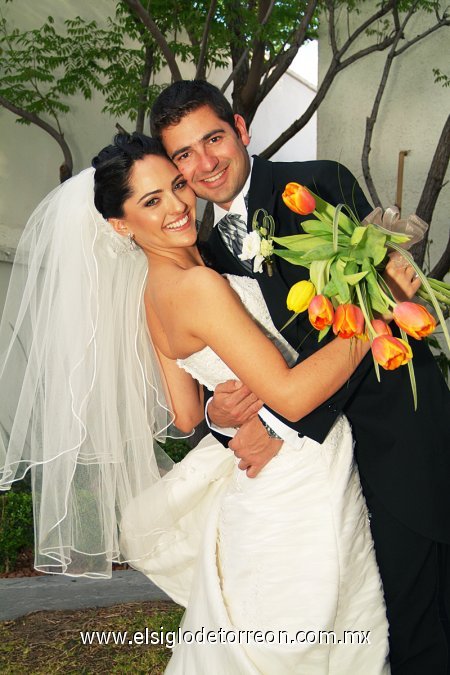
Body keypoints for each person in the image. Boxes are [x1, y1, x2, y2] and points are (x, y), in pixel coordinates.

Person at [0, 132, 421, 672]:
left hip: (261, 483)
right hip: (300, 480)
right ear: (120, 225)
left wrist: (221, 416)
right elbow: (292, 396)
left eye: (176, 185)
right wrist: (380, 311)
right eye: (151, 201)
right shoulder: (196, 285)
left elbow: (185, 413)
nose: (177, 205)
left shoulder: (152, 295)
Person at [150, 80, 450, 674]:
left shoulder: (318, 183)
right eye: (184, 154)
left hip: (392, 438)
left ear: (240, 129)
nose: (204, 163)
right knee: (355, 628)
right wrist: (223, 419)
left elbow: (369, 323)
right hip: (312, 479)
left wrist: (278, 422)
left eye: (213, 139)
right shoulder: (200, 256)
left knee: (419, 620)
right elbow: (224, 376)